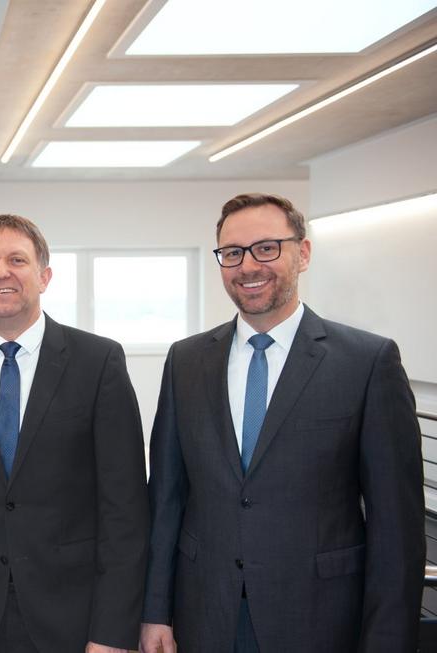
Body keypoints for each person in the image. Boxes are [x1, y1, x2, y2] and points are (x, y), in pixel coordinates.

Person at [140, 193, 425, 653]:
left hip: (318, 619)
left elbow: (396, 526)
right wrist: (154, 610)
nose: (248, 265)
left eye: (266, 248)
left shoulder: (367, 362)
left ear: (303, 253)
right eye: (233, 253)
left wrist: (387, 641)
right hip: (205, 615)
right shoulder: (186, 361)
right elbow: (166, 498)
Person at [0, 214, 150, 653]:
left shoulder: (98, 362)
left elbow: (125, 509)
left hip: (73, 613)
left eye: (17, 260)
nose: (0, 272)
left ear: (44, 276)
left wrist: (112, 630)